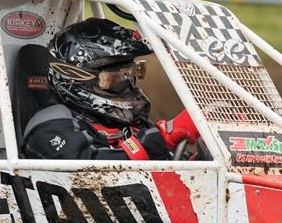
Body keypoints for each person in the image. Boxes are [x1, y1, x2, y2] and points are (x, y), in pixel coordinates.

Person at [21, 18, 200, 160]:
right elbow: (89, 174)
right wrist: (165, 135)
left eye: (130, 74)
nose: (127, 86)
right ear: (74, 78)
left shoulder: (126, 126)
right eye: (114, 79)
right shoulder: (50, 125)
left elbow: (168, 163)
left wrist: (198, 161)